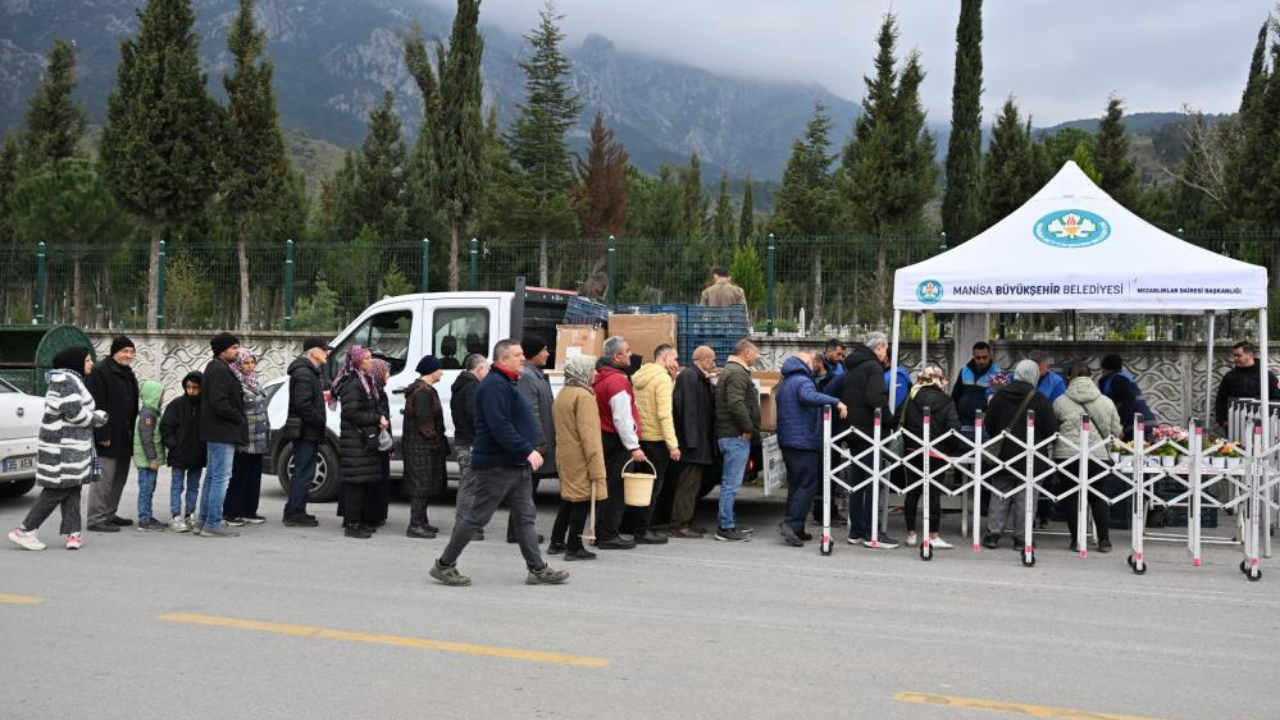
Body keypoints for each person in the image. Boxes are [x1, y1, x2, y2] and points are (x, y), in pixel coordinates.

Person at [429, 339, 569, 587]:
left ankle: (537, 569)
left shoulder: (507, 382)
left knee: (525, 517)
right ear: (502, 359)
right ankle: (444, 564)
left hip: (515, 464)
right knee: (476, 518)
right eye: (517, 355)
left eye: (522, 354)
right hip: (497, 465)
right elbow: (499, 426)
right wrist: (527, 450)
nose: (522, 358)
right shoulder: (494, 385)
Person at [9, 347, 107, 551]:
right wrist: (98, 417)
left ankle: (73, 533)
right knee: (56, 490)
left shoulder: (69, 380)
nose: (91, 363)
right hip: (63, 448)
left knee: (72, 487)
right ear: (75, 363)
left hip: (68, 446)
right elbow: (74, 413)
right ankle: (25, 530)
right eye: (88, 360)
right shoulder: (66, 381)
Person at [982, 359, 1058, 550]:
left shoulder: (999, 396)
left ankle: (993, 534)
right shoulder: (1040, 399)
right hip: (1031, 456)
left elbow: (989, 424)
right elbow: (1051, 430)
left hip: (1004, 454)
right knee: (1027, 497)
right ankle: (1021, 538)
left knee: (999, 493)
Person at [775, 352, 846, 547]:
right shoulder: (802, 381)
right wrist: (835, 401)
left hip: (789, 440)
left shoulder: (786, 382)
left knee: (796, 485)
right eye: (812, 362)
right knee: (807, 484)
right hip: (803, 441)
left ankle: (796, 528)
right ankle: (791, 525)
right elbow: (808, 396)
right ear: (805, 363)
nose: (816, 365)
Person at [1053, 362, 1122, 554]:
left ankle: (1076, 539)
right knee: (1098, 496)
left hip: (1066, 455)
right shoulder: (1106, 402)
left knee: (1071, 496)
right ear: (1091, 377)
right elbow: (1117, 431)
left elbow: (1053, 429)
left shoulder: (1059, 401)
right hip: (1098, 455)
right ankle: (1104, 541)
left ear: (1070, 379)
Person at [840, 332, 899, 549]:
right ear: (879, 347)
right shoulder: (873, 367)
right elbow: (875, 398)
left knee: (858, 482)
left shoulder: (853, 366)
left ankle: (856, 530)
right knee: (872, 482)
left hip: (853, 430)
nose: (886, 354)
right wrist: (891, 421)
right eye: (885, 349)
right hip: (869, 432)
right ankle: (871, 531)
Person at [549, 354, 607, 561]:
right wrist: (598, 469)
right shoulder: (584, 397)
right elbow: (590, 436)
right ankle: (574, 546)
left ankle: (556, 541)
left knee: (569, 498)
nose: (595, 373)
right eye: (591, 369)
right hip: (580, 456)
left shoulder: (564, 393)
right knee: (582, 499)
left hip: (564, 452)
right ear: (582, 372)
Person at [900, 366, 964, 550]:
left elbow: (898, 419)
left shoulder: (910, 397)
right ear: (938, 380)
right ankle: (933, 535)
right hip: (937, 452)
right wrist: (952, 449)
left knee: (912, 492)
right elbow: (954, 430)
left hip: (912, 450)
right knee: (934, 494)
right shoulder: (946, 401)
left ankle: (911, 534)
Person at [593, 336, 644, 550]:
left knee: (606, 488)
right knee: (616, 490)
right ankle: (609, 534)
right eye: (628, 351)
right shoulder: (618, 381)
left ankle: (599, 531)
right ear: (616, 356)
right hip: (617, 442)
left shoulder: (601, 377)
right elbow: (622, 419)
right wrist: (634, 447)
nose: (631, 354)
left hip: (604, 440)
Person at [331, 346, 386, 540]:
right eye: (367, 359)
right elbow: (351, 413)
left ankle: (358, 521)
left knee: (362, 483)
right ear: (357, 362)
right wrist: (376, 418)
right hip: (355, 440)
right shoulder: (353, 384)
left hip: (363, 439)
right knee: (355, 484)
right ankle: (352, 524)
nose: (371, 362)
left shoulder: (365, 381)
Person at [85, 335, 139, 533]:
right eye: (125, 351)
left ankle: (108, 514)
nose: (128, 355)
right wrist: (102, 433)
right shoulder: (100, 371)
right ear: (114, 352)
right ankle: (96, 518)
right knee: (103, 480)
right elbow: (96, 404)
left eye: (131, 352)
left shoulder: (127, 372)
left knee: (119, 478)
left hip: (125, 435)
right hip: (108, 436)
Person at [629, 344, 682, 545]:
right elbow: (664, 414)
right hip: (657, 440)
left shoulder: (642, 373)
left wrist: (673, 380)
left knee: (638, 485)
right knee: (653, 488)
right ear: (665, 357)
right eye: (675, 359)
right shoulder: (661, 379)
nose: (676, 363)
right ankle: (642, 531)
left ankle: (633, 526)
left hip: (640, 438)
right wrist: (673, 445)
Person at [199, 332, 247, 538]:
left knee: (212, 476)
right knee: (220, 478)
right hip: (222, 432)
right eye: (234, 348)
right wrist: (238, 417)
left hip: (218, 431)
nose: (238, 351)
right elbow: (218, 402)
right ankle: (212, 522)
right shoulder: (219, 370)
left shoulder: (218, 368)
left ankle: (203, 520)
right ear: (222, 350)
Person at [714, 338, 761, 542]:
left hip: (731, 434)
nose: (757, 357)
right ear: (746, 353)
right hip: (735, 435)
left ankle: (729, 521)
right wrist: (748, 428)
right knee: (731, 484)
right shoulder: (737, 373)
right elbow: (736, 403)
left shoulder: (733, 371)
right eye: (755, 353)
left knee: (730, 483)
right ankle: (725, 527)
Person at [669, 346, 716, 539]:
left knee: (693, 485)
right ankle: (679, 524)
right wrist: (692, 443)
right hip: (692, 444)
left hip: (697, 443)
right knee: (688, 485)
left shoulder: (697, 377)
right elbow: (686, 411)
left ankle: (686, 521)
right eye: (712, 359)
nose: (714, 363)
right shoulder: (689, 377)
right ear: (703, 359)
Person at [514, 335, 555, 544]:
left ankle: (519, 529)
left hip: (539, 442)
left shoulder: (537, 375)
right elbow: (531, 413)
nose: (548, 354)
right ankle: (518, 531)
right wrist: (539, 441)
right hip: (533, 445)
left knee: (528, 488)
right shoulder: (528, 377)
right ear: (534, 354)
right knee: (525, 488)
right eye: (544, 350)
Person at [283, 336, 329, 528]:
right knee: (303, 472)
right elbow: (302, 403)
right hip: (305, 430)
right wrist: (318, 420)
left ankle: (295, 509)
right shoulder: (303, 373)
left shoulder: (310, 372)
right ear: (313, 352)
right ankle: (295, 513)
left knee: (305, 471)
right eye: (324, 349)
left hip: (308, 429)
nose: (327, 353)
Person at [402, 355, 449, 539]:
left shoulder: (426, 389)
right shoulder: (422, 391)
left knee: (425, 483)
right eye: (439, 369)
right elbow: (424, 422)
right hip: (419, 446)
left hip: (421, 445)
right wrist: (434, 442)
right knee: (420, 485)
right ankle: (415, 525)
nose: (442, 372)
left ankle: (422, 521)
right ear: (431, 371)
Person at [223, 349, 268, 527]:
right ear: (238, 365)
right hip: (244, 437)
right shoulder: (236, 383)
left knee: (254, 476)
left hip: (259, 438)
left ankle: (250, 510)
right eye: (245, 363)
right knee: (239, 476)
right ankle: (232, 512)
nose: (249, 366)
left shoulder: (256, 382)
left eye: (252, 362)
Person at [451, 353, 489, 540]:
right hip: (470, 443)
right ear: (480, 368)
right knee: (469, 486)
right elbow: (475, 416)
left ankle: (466, 525)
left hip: (464, 441)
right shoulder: (472, 387)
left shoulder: (462, 385)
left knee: (469, 485)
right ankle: (464, 527)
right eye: (487, 369)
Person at [161, 371, 205, 532]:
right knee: (177, 486)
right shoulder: (177, 404)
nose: (192, 390)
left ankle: (190, 514)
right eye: (188, 387)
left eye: (195, 387)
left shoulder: (205, 406)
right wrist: (174, 446)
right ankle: (175, 516)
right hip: (179, 454)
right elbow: (166, 428)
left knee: (194, 486)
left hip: (198, 454)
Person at [1214, 341, 1280, 431]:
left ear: (1250, 355)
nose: (1235, 359)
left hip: (1261, 426)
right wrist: (1222, 421)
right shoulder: (1229, 376)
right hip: (1234, 425)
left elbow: (1277, 399)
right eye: (1234, 356)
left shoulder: (1266, 376)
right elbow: (1221, 399)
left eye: (1238, 355)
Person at [131, 379, 167, 532]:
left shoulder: (151, 412)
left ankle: (147, 516)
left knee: (149, 488)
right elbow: (146, 438)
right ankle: (144, 520)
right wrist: (153, 458)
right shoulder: (148, 414)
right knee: (146, 489)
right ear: (153, 395)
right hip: (147, 460)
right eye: (161, 395)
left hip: (149, 459)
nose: (162, 398)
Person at [363, 358, 394, 528]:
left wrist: (390, 445)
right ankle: (373, 515)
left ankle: (379, 514)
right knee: (375, 480)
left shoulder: (380, 392)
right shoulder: (372, 392)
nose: (388, 375)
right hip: (374, 441)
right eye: (385, 371)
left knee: (382, 480)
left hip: (382, 441)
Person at [1097, 354, 1156, 441]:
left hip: (1134, 427)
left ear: (1105, 368)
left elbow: (1129, 399)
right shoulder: (1125, 377)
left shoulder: (1113, 380)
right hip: (1148, 423)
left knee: (1132, 453)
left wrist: (1120, 423)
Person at [952, 341, 1000, 440]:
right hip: (962, 423)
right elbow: (955, 395)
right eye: (978, 358)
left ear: (990, 355)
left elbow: (997, 402)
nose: (981, 361)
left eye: (984, 357)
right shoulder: (964, 370)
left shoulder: (997, 374)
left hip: (983, 426)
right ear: (973, 356)